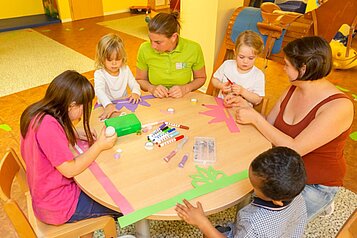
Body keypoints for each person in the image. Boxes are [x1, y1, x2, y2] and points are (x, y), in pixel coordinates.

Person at [233, 36, 354, 221]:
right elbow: (270, 125)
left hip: (315, 183)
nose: (283, 67)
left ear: (303, 69)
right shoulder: (293, 88)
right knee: (245, 208)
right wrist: (246, 106)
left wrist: (256, 119)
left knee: (269, 222)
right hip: (281, 171)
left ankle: (326, 201)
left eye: (287, 64)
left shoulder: (339, 107)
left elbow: (294, 149)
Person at [20, 70, 121, 227]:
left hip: (44, 194)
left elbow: (49, 141)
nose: (84, 111)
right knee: (119, 205)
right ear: (71, 105)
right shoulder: (48, 127)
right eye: (84, 106)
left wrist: (73, 132)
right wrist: (100, 146)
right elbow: (69, 169)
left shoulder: (37, 113)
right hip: (59, 205)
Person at [176, 146, 307, 237]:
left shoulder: (254, 225)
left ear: (276, 201)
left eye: (254, 186)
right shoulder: (294, 192)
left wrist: (202, 222)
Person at [136, 12, 207, 98]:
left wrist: (186, 88)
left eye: (158, 42)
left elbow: (201, 78)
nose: (153, 46)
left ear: (173, 37)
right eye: (150, 40)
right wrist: (152, 88)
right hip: (155, 99)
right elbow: (140, 79)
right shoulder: (144, 49)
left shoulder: (193, 49)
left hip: (183, 99)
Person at [211, 30, 265, 106]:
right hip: (221, 106)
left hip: (243, 112)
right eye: (241, 57)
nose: (245, 61)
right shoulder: (227, 65)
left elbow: (258, 99)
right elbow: (214, 79)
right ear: (235, 53)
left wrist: (243, 91)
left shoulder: (258, 75)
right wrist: (221, 85)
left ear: (257, 56)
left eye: (250, 58)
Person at [94, 33, 142, 120]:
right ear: (101, 58)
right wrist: (108, 105)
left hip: (122, 103)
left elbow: (134, 84)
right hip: (105, 105)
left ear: (123, 57)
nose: (114, 63)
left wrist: (135, 92)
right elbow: (99, 91)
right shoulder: (99, 73)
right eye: (109, 59)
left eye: (118, 59)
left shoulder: (125, 69)